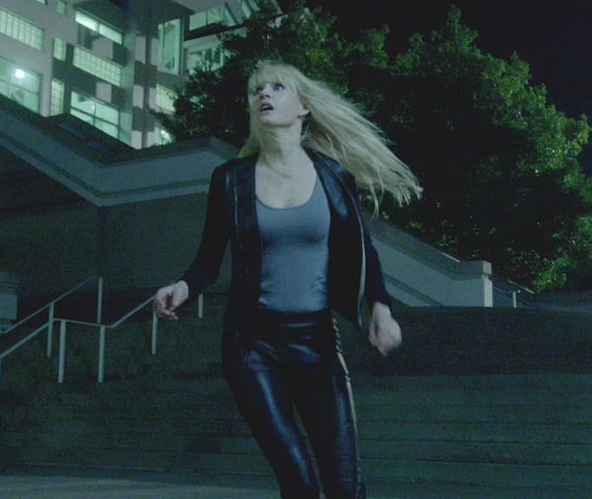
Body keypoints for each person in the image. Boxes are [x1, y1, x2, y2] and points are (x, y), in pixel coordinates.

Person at [153, 60, 420, 499]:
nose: (264, 94)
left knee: (344, 486)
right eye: (256, 90)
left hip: (316, 341)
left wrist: (381, 307)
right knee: (298, 483)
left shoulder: (333, 175)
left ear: (303, 107)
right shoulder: (230, 180)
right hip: (251, 346)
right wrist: (181, 289)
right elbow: (207, 261)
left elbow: (363, 249)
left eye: (277, 87)